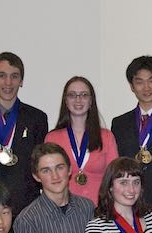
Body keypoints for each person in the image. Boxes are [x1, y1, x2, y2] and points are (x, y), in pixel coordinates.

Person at [0, 52, 48, 217]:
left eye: (14, 76)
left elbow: (40, 166)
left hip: (25, 210)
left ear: (21, 81)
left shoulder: (37, 118)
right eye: (2, 76)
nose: (8, 82)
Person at [46, 76, 118, 205]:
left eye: (84, 95)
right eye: (72, 95)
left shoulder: (106, 137)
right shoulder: (52, 138)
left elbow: (114, 177)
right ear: (66, 101)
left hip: (99, 210)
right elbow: (48, 178)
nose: (78, 100)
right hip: (64, 210)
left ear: (91, 101)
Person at [111, 56, 152, 208]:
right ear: (132, 86)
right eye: (139, 82)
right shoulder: (119, 123)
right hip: (128, 201)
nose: (146, 88)